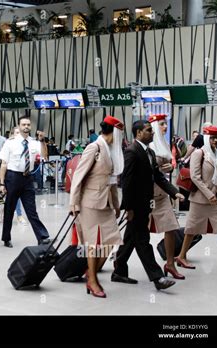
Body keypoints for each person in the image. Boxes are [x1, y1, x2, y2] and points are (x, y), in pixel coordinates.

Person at [112, 119, 185, 291]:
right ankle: (157, 277)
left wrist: (174, 192)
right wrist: (128, 208)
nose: (152, 133)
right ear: (138, 133)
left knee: (130, 239)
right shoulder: (131, 151)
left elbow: (158, 177)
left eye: (152, 130)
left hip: (146, 204)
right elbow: (126, 182)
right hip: (136, 206)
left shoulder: (150, 152)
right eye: (148, 130)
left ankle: (119, 270)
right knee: (143, 241)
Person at [70, 116, 124, 298]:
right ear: (114, 132)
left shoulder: (110, 150)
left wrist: (116, 204)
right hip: (90, 203)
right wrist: (73, 203)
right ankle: (92, 280)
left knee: (111, 241)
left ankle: (91, 273)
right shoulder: (94, 148)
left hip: (106, 202)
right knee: (93, 243)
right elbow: (78, 176)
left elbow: (113, 180)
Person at [176, 125, 217, 268]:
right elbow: (195, 177)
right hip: (200, 199)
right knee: (192, 229)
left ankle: (181, 256)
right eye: (212, 138)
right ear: (206, 138)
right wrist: (209, 194)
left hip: (216, 198)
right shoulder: (199, 153)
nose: (215, 141)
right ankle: (181, 256)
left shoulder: (216, 153)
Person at [0, 116, 50, 248]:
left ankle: (42, 237)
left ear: (30, 127)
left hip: (27, 178)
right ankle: (6, 238)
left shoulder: (34, 142)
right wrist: (2, 183)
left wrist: (43, 141)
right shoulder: (10, 142)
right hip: (12, 178)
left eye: (28, 124)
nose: (26, 127)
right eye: (23, 124)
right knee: (9, 210)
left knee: (31, 210)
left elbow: (44, 156)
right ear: (19, 126)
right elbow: (4, 164)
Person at [148, 114, 185, 279]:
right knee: (136, 234)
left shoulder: (163, 143)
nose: (165, 127)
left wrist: (169, 168)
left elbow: (164, 169)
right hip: (147, 196)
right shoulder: (147, 147)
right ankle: (120, 260)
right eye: (162, 124)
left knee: (171, 227)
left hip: (162, 195)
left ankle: (170, 264)